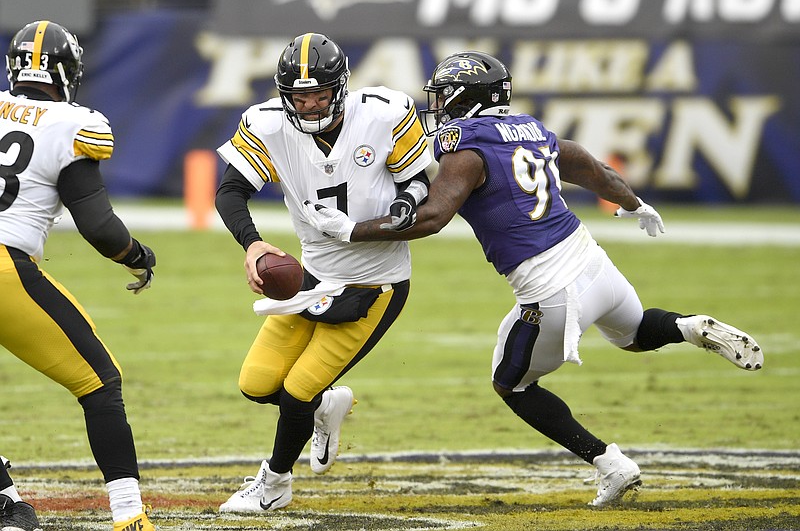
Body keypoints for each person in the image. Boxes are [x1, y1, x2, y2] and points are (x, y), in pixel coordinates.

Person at [302, 50, 764, 507]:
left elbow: (434, 217)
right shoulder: (529, 128)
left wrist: (351, 231)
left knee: (511, 385)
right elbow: (591, 167)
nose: (437, 106)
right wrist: (633, 202)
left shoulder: (465, 147)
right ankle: (688, 326)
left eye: (444, 97)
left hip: (551, 290)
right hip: (593, 262)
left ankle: (610, 464)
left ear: (466, 99)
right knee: (636, 334)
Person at [214, 32, 432, 512]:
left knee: (296, 392)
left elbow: (417, 181)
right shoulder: (267, 124)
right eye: (299, 96)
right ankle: (326, 406)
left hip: (375, 282)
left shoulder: (384, 113)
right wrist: (252, 246)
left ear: (341, 87)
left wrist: (397, 208)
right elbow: (229, 191)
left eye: (318, 94)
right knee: (256, 385)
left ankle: (274, 485)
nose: (310, 105)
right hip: (312, 276)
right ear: (283, 93)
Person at [0, 21, 157, 531]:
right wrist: (136, 255)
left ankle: (4, 500)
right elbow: (98, 225)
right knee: (100, 382)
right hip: (5, 269)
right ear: (67, 72)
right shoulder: (72, 123)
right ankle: (129, 516)